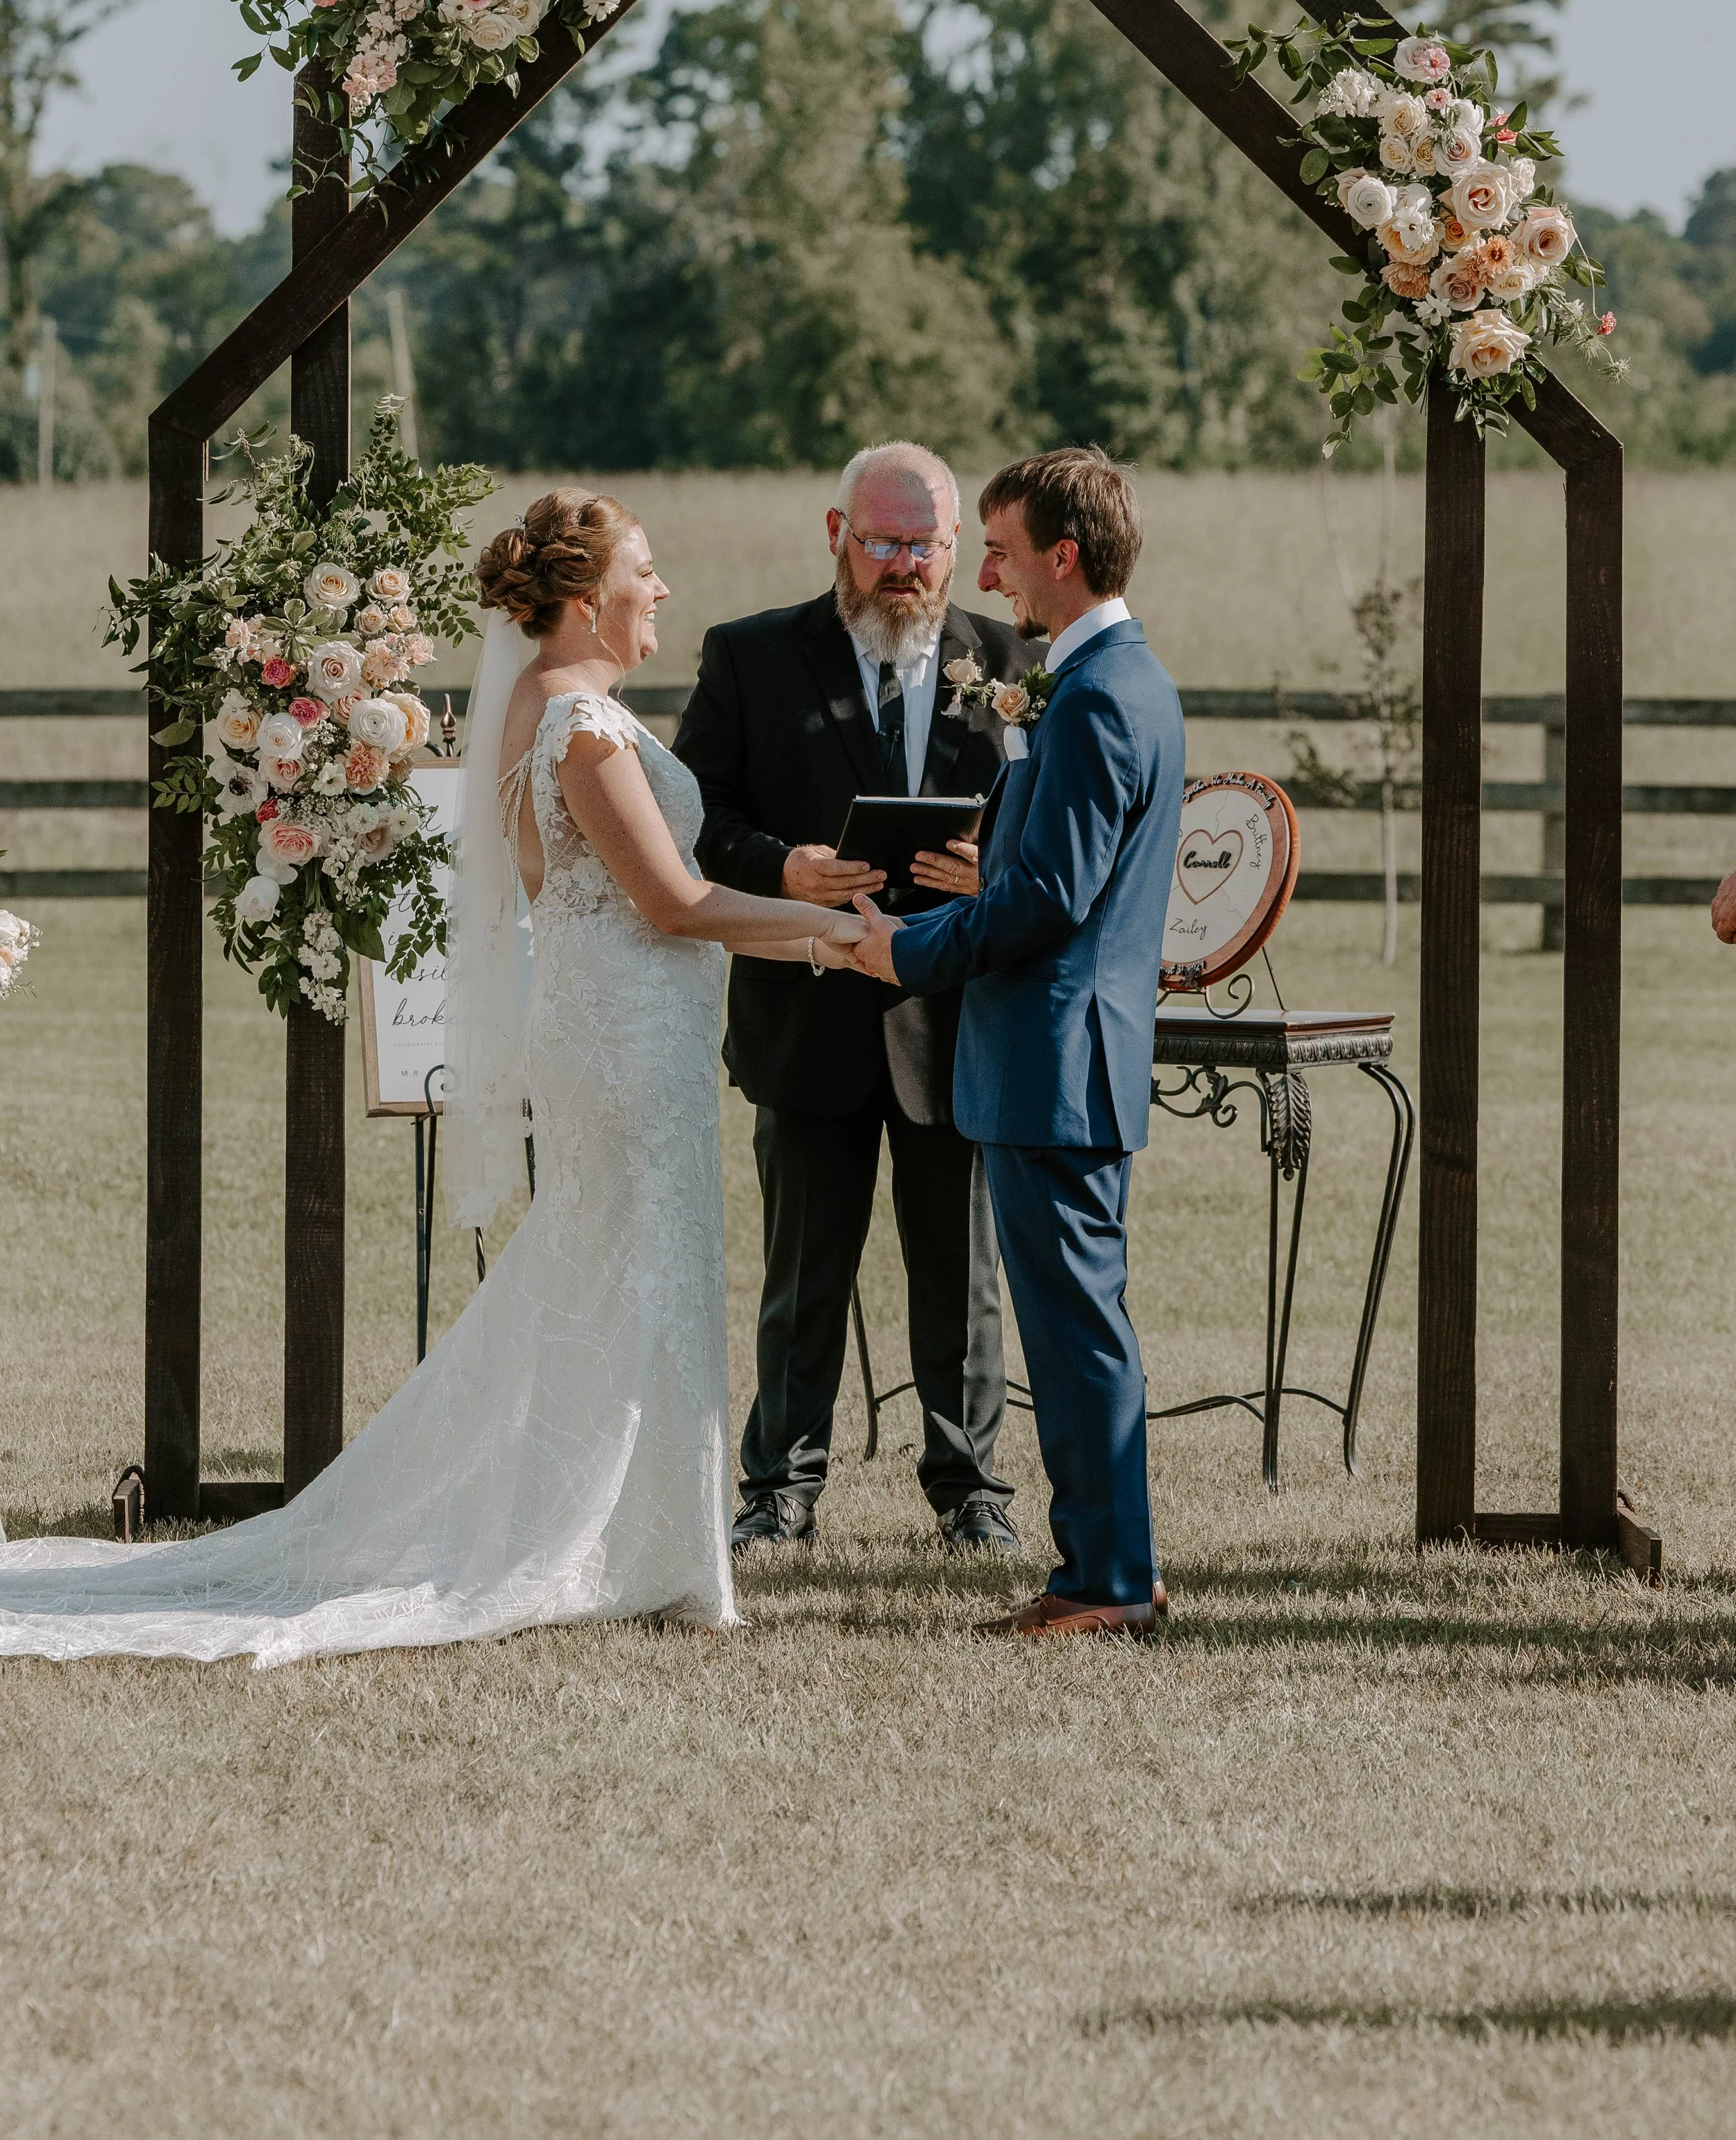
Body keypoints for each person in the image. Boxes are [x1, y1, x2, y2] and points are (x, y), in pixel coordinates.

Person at [0, 491, 862, 1664]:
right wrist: (838, 938)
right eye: (644, 571)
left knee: (619, 1271)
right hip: (618, 1039)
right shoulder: (578, 727)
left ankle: (644, 1535)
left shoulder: (565, 706)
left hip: (623, 1032)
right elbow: (675, 903)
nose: (661, 589)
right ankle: (628, 1543)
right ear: (585, 592)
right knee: (636, 1266)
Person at [844, 448, 1185, 1641]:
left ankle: (1103, 1583)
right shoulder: (1101, 680)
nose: (982, 572)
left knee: (1078, 1331)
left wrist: (908, 949)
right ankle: (1109, 1566)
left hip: (1057, 1056)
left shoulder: (1097, 694)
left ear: (1064, 556)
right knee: (1078, 1324)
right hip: (1054, 1056)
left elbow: (1044, 900)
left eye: (998, 549)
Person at [674, 442, 1031, 1552]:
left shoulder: (1019, 658)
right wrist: (782, 866)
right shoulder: (751, 656)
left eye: (924, 545)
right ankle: (779, 1489)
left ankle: (971, 1489)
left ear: (956, 547)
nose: (903, 565)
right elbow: (694, 816)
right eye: (881, 541)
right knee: (802, 1273)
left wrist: (993, 867)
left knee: (963, 1276)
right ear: (836, 533)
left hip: (956, 1017)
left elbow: (1053, 831)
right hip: (806, 1009)